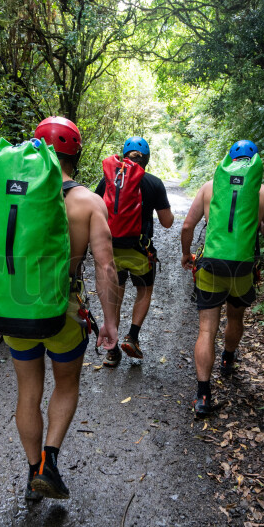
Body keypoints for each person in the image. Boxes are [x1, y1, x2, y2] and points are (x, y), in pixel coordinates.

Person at [0, 116, 118, 500]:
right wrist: (110, 322)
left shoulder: (12, 198)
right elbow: (105, 265)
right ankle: (48, 463)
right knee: (66, 383)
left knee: (28, 391)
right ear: (76, 154)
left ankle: (31, 471)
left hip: (17, 310)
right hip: (63, 313)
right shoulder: (89, 202)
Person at [181, 140, 264, 416]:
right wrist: (259, 225)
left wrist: (186, 254)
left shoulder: (209, 187)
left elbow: (188, 225)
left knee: (206, 330)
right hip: (243, 269)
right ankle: (227, 360)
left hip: (211, 266)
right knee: (236, 318)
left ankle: (203, 396)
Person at [95, 137, 174, 365]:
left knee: (115, 299)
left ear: (123, 156)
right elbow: (167, 222)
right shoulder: (153, 183)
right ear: (146, 159)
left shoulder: (108, 181)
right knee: (144, 292)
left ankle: (111, 351)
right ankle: (133, 337)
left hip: (112, 252)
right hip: (140, 251)